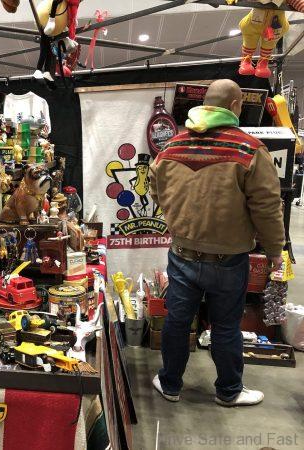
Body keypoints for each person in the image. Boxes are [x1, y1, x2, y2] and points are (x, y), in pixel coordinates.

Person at [149, 79, 285, 407]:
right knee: (225, 326)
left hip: (182, 254)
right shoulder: (250, 150)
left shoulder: (172, 147)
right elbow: (267, 207)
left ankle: (170, 385)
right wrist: (274, 251)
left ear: (204, 105)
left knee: (177, 322)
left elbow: (156, 188)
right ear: (235, 106)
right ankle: (229, 391)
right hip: (229, 259)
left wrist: (177, 217)